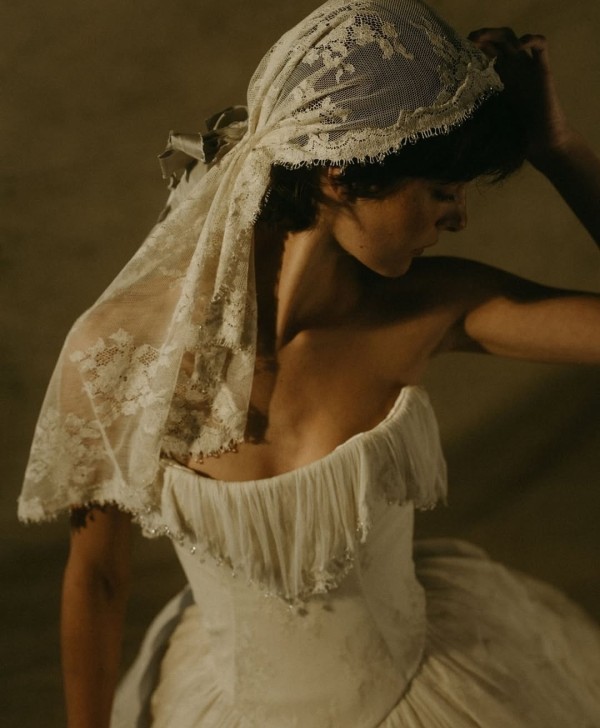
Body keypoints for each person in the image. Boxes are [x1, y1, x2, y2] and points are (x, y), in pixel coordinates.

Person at [18, 0, 600, 726]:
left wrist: (561, 150)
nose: (458, 218)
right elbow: (98, 580)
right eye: (441, 191)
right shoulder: (119, 351)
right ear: (339, 177)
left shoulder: (437, 306)